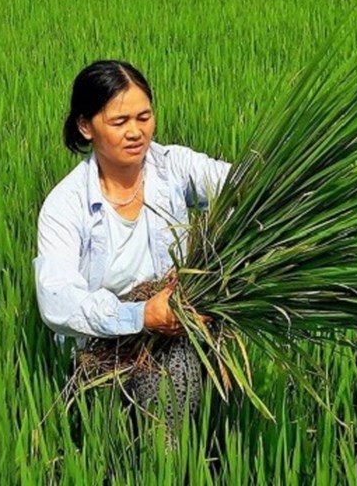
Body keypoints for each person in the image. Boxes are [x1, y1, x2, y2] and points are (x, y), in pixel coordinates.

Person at [33, 59, 231, 425]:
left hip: (172, 328)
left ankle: (171, 459)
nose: (136, 132)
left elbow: (240, 188)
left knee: (175, 376)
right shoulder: (65, 205)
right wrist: (140, 315)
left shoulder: (173, 167)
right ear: (85, 126)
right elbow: (57, 302)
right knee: (108, 431)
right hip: (100, 347)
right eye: (120, 122)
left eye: (144, 117)